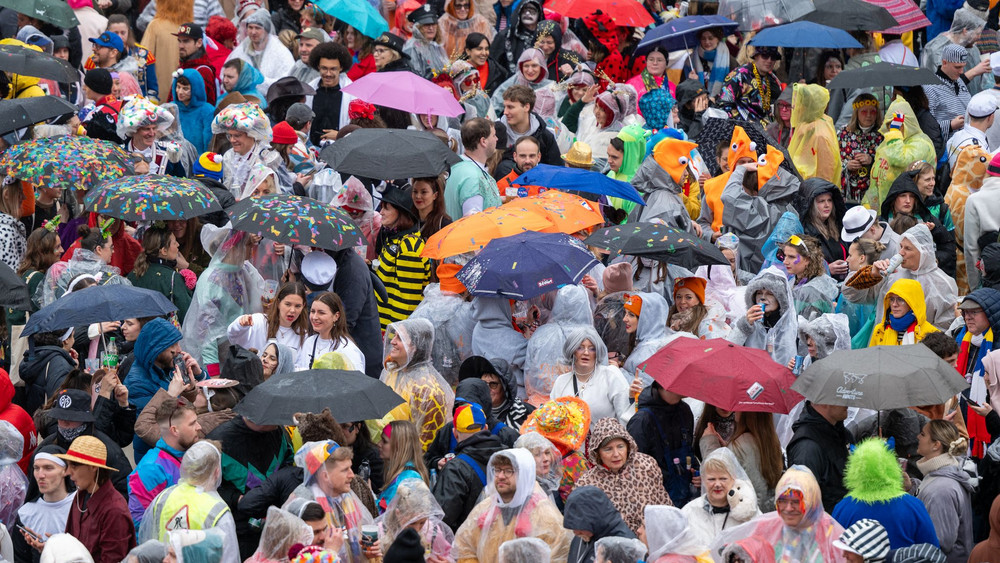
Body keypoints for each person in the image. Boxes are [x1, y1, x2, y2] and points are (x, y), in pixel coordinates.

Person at [453, 448, 571, 563]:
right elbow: (465, 549)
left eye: (509, 471)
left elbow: (560, 556)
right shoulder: (484, 509)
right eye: (498, 470)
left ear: (524, 474)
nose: (501, 476)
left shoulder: (546, 516)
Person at [712, 466, 846, 563]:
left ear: (811, 502)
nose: (788, 508)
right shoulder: (767, 526)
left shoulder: (831, 532)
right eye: (782, 501)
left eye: (795, 502)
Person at [135, 441, 239, 563]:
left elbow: (148, 542)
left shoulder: (164, 497)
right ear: (217, 472)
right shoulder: (218, 510)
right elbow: (229, 557)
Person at [207, 411, 292, 558]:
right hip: (241, 529)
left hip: (277, 522)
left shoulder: (277, 431)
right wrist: (237, 499)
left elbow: (287, 461)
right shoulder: (218, 442)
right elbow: (206, 487)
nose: (279, 422)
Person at [841, 224, 958, 331]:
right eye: (901, 246)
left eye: (907, 248)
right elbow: (849, 293)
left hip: (920, 349)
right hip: (885, 344)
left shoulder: (944, 283)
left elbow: (945, 329)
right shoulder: (892, 273)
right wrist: (871, 275)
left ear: (924, 252)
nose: (900, 252)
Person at [831, 438, 939, 550]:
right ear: (891, 465)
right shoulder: (913, 506)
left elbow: (834, 553)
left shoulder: (843, 508)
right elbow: (932, 551)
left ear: (855, 468)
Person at [576, 418, 672, 535]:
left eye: (620, 446)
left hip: (652, 540)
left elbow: (664, 505)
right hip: (615, 548)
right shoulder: (587, 484)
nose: (616, 454)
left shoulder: (645, 465)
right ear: (597, 453)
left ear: (628, 446)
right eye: (608, 449)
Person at [50, 436, 135, 562]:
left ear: (93, 467)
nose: (67, 472)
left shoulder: (114, 510)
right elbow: (72, 545)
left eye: (74, 466)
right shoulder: (80, 496)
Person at [904, 421, 974, 563]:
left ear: (936, 445)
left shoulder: (942, 489)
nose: (918, 437)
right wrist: (911, 487)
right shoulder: (939, 474)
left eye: (923, 434)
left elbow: (940, 543)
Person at [721, 152, 802, 273]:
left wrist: (741, 169)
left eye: (744, 189)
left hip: (749, 276)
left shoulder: (754, 208)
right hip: (782, 274)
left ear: (754, 192)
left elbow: (729, 196)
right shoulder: (790, 210)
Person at [381, 318, 455, 449]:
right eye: (394, 336)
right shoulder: (391, 370)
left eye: (400, 338)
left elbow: (426, 445)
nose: (392, 341)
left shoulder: (427, 390)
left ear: (415, 347)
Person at [126, 400, 201, 527]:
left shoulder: (191, 452)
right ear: (175, 430)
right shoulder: (151, 469)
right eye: (192, 423)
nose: (199, 427)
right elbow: (140, 523)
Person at [431, 401, 503, 530]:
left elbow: (442, 520)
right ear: (486, 428)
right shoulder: (507, 456)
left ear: (455, 433)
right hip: (501, 537)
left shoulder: (456, 469)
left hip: (468, 543)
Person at [864, 96, 937, 211]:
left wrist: (894, 133)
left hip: (911, 210)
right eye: (890, 125)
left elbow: (900, 160)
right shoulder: (889, 142)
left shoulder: (921, 143)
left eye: (897, 125)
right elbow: (876, 177)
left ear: (907, 123)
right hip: (886, 209)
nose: (892, 129)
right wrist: (868, 204)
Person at [880, 171, 957, 278]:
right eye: (903, 196)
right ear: (893, 199)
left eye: (911, 196)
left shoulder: (928, 219)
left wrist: (934, 259)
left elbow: (949, 249)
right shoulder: (882, 224)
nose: (908, 201)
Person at [374, 183, 431, 329]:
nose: (381, 212)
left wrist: (394, 334)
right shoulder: (394, 238)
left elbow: (407, 302)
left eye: (386, 208)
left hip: (394, 330)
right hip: (383, 324)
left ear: (401, 213)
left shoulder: (410, 247)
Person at [549, 326, 632, 425]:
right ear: (572, 351)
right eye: (580, 347)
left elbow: (625, 417)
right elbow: (552, 420)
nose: (586, 352)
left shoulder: (610, 375)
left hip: (606, 439)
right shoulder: (561, 382)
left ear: (597, 353)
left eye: (592, 348)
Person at [681, 448, 762, 547]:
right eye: (711, 479)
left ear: (734, 479)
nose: (717, 484)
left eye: (723, 479)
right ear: (704, 481)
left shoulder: (746, 511)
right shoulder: (689, 512)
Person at [786, 401, 852, 513]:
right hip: (829, 527)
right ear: (823, 401)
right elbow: (803, 506)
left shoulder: (843, 434)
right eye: (840, 395)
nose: (847, 402)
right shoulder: (807, 448)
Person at [13, 445, 75, 563]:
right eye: (36, 468)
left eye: (48, 468)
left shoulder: (81, 506)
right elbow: (20, 558)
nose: (41, 475)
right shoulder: (26, 514)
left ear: (65, 471)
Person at [212, 102, 279, 199]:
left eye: (237, 135)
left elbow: (283, 193)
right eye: (230, 135)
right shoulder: (228, 156)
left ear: (252, 135)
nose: (232, 140)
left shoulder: (268, 158)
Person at [376, 478, 454, 560]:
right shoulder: (382, 532)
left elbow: (449, 554)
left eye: (422, 522)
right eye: (412, 523)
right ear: (398, 513)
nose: (417, 529)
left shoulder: (432, 531)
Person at [128, 225, 192, 323]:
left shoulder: (132, 275)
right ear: (164, 251)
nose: (178, 245)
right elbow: (188, 316)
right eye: (174, 242)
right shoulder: (173, 279)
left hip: (136, 335)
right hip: (165, 336)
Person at [228, 281, 308, 360]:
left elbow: (300, 365)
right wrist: (240, 324)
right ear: (278, 303)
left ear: (303, 306)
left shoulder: (302, 334)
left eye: (298, 306)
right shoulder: (259, 321)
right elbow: (233, 337)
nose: (292, 310)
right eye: (288, 304)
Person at [563, 486, 636, 563]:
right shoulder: (585, 535)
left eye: (580, 526)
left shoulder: (624, 546)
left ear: (595, 519)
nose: (576, 532)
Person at [295, 291, 365, 371]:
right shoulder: (309, 342)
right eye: (313, 311)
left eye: (321, 313)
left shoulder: (347, 349)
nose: (314, 317)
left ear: (336, 316)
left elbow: (357, 380)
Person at [445, 118, 500, 218]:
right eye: (493, 135)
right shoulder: (473, 178)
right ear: (483, 141)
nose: (497, 139)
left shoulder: (458, 164)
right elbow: (472, 221)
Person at [789, 83, 842, 185]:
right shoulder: (804, 126)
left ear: (808, 106)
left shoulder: (820, 135)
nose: (793, 105)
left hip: (815, 194)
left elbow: (826, 176)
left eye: (798, 101)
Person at [227, 10, 295, 88]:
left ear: (266, 30)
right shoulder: (241, 50)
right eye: (250, 27)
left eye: (257, 28)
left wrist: (259, 82)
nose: (253, 32)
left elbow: (286, 81)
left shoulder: (281, 52)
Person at [306, 41, 355, 146]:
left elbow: (358, 131)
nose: (328, 74)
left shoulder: (352, 93)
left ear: (341, 68)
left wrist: (340, 135)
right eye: (324, 68)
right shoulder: (310, 89)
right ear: (318, 67)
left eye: (333, 69)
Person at [963, 152, 1000, 289]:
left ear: (989, 173)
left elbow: (971, 249)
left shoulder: (975, 200)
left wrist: (975, 288)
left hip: (989, 276)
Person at [718, 46, 782, 125]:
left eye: (773, 57)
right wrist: (737, 124)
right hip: (742, 129)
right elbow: (723, 103)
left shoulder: (772, 78)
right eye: (765, 56)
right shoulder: (740, 74)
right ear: (756, 56)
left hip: (765, 129)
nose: (769, 60)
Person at [838, 94, 884, 205]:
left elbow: (888, 164)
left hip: (873, 194)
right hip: (848, 193)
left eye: (872, 112)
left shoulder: (882, 135)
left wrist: (872, 160)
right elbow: (833, 162)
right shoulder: (843, 134)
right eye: (864, 112)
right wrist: (846, 165)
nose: (868, 116)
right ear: (856, 113)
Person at [781, 235, 840, 320]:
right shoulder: (795, 280)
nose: (785, 261)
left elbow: (809, 330)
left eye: (791, 257)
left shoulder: (812, 291)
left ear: (807, 259)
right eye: (785, 256)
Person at [376, 420, 429, 513]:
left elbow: (385, 516)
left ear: (399, 447)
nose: (379, 444)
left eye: (384, 441)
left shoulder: (407, 480)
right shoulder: (401, 473)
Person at [867, 278, 940, 346]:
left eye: (900, 299)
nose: (894, 304)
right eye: (892, 299)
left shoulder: (931, 333)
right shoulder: (880, 330)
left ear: (913, 303)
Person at [666, 277, 731, 339]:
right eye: (679, 297)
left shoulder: (706, 321)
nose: (682, 302)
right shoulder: (668, 317)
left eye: (688, 297)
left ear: (698, 300)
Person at [644, 505, 711, 562]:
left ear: (659, 532)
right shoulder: (683, 556)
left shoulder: (670, 561)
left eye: (645, 527)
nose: (638, 530)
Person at [169, 68, 214, 155]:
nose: (180, 92)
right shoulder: (171, 108)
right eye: (178, 87)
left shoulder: (207, 111)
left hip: (198, 161)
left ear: (195, 89)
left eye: (185, 89)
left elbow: (209, 143)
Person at [489, 0, 541, 75]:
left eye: (532, 10)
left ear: (539, 14)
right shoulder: (505, 36)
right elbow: (492, 62)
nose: (527, 13)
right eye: (524, 10)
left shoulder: (543, 38)